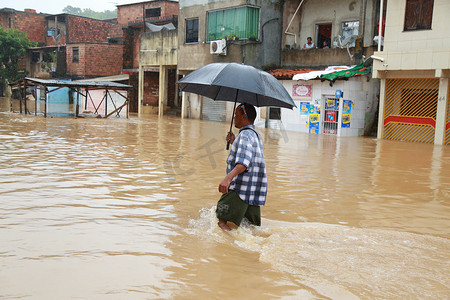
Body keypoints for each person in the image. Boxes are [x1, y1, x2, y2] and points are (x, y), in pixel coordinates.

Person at [216, 103, 267, 231]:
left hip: (239, 189)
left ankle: (232, 245)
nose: (234, 118)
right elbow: (251, 156)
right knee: (249, 228)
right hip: (252, 191)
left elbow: (244, 163)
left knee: (221, 220)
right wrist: (234, 141)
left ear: (244, 116)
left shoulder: (244, 135)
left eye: (236, 115)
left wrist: (227, 179)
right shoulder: (254, 135)